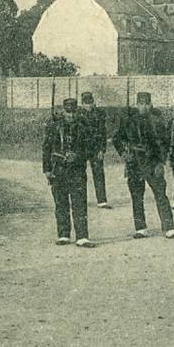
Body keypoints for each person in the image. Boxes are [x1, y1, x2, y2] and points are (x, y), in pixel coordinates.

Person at [111, 91, 174, 240]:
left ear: (151, 104)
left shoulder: (157, 120)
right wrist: (124, 153)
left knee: (160, 193)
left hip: (152, 161)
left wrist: (161, 162)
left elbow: (165, 142)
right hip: (134, 162)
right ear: (137, 104)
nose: (143, 107)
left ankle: (169, 227)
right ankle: (141, 228)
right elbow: (117, 138)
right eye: (141, 104)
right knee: (137, 195)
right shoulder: (128, 119)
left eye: (146, 104)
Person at [42, 98, 95, 247]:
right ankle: (63, 234)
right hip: (58, 169)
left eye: (73, 112)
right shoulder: (54, 126)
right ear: (63, 111)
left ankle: (82, 236)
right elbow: (46, 148)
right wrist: (46, 169)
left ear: (77, 111)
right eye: (68, 112)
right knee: (61, 203)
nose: (70, 115)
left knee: (79, 202)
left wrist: (78, 156)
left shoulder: (84, 126)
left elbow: (90, 148)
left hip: (77, 170)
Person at [79, 91, 110, 208]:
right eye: (86, 103)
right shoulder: (77, 115)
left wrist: (102, 149)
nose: (89, 105)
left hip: (95, 149)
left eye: (91, 102)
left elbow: (103, 133)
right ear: (82, 104)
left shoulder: (99, 115)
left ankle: (102, 201)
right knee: (80, 176)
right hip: (81, 149)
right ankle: (81, 200)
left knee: (99, 174)